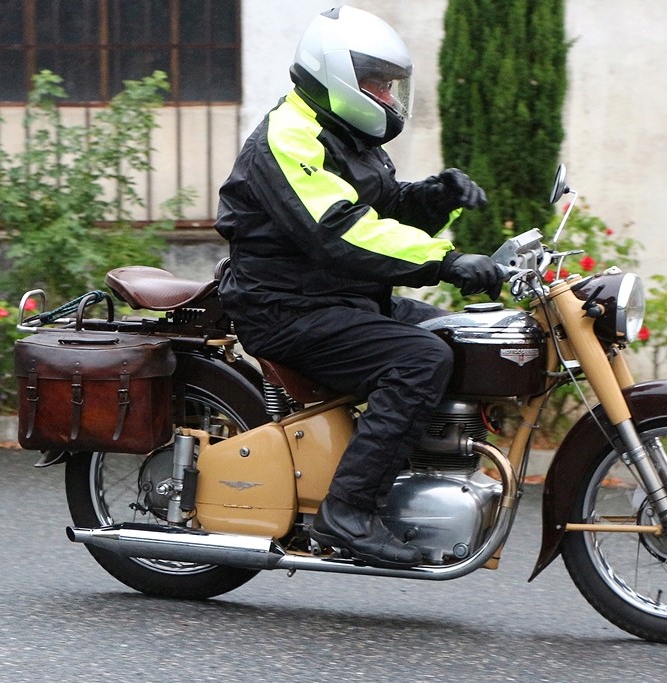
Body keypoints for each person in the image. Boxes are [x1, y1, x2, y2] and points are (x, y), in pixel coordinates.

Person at [215, 5, 506, 568]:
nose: (389, 99)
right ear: (338, 76)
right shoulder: (288, 136)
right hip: (285, 307)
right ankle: (348, 512)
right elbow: (338, 232)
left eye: (392, 87)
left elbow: (383, 211)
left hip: (341, 299)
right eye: (378, 84)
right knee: (420, 361)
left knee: (461, 335)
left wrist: (434, 196)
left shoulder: (344, 134)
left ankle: (422, 474)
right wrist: (445, 263)